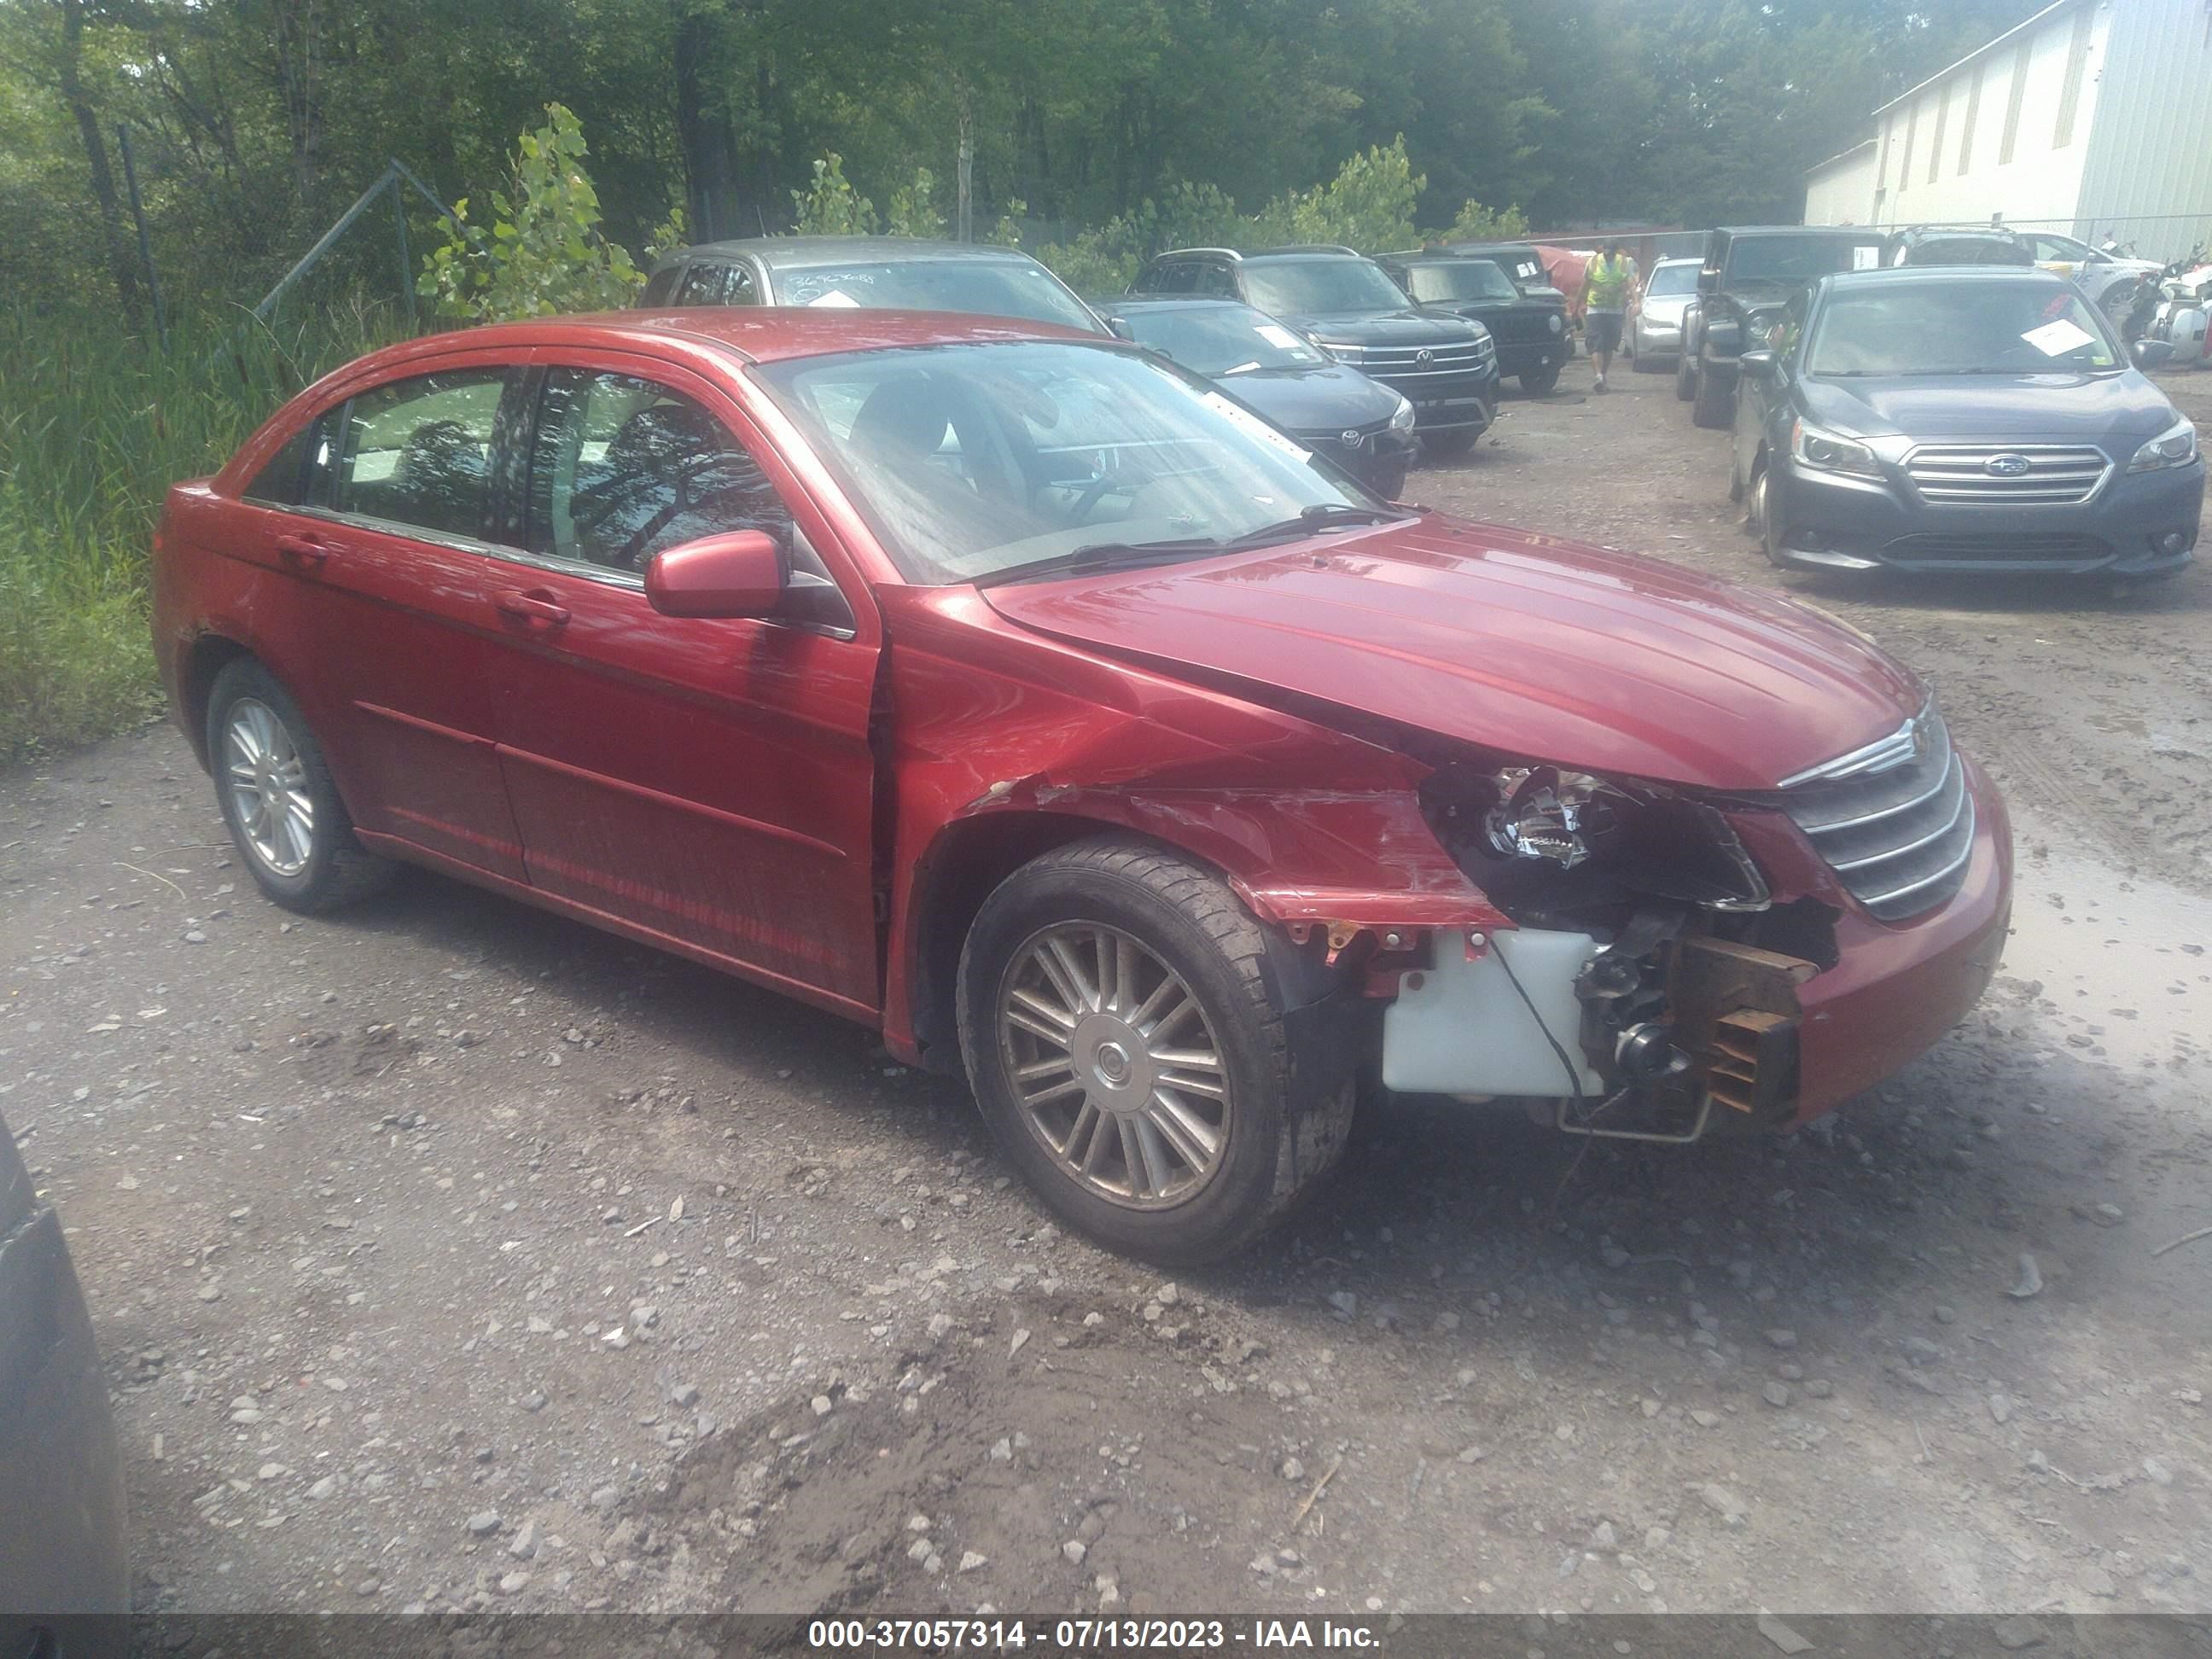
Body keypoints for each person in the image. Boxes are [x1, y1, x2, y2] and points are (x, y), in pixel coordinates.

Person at [1583, 240, 1636, 392]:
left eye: (1611, 254)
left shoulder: (1625, 263)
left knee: (1609, 346)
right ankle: (1598, 375)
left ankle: (1603, 374)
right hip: (1595, 308)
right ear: (1602, 250)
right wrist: (1578, 304)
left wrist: (1636, 301)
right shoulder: (1592, 262)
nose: (1608, 257)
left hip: (1614, 310)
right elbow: (1585, 284)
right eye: (1606, 254)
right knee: (1595, 344)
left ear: (1616, 251)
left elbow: (1631, 283)